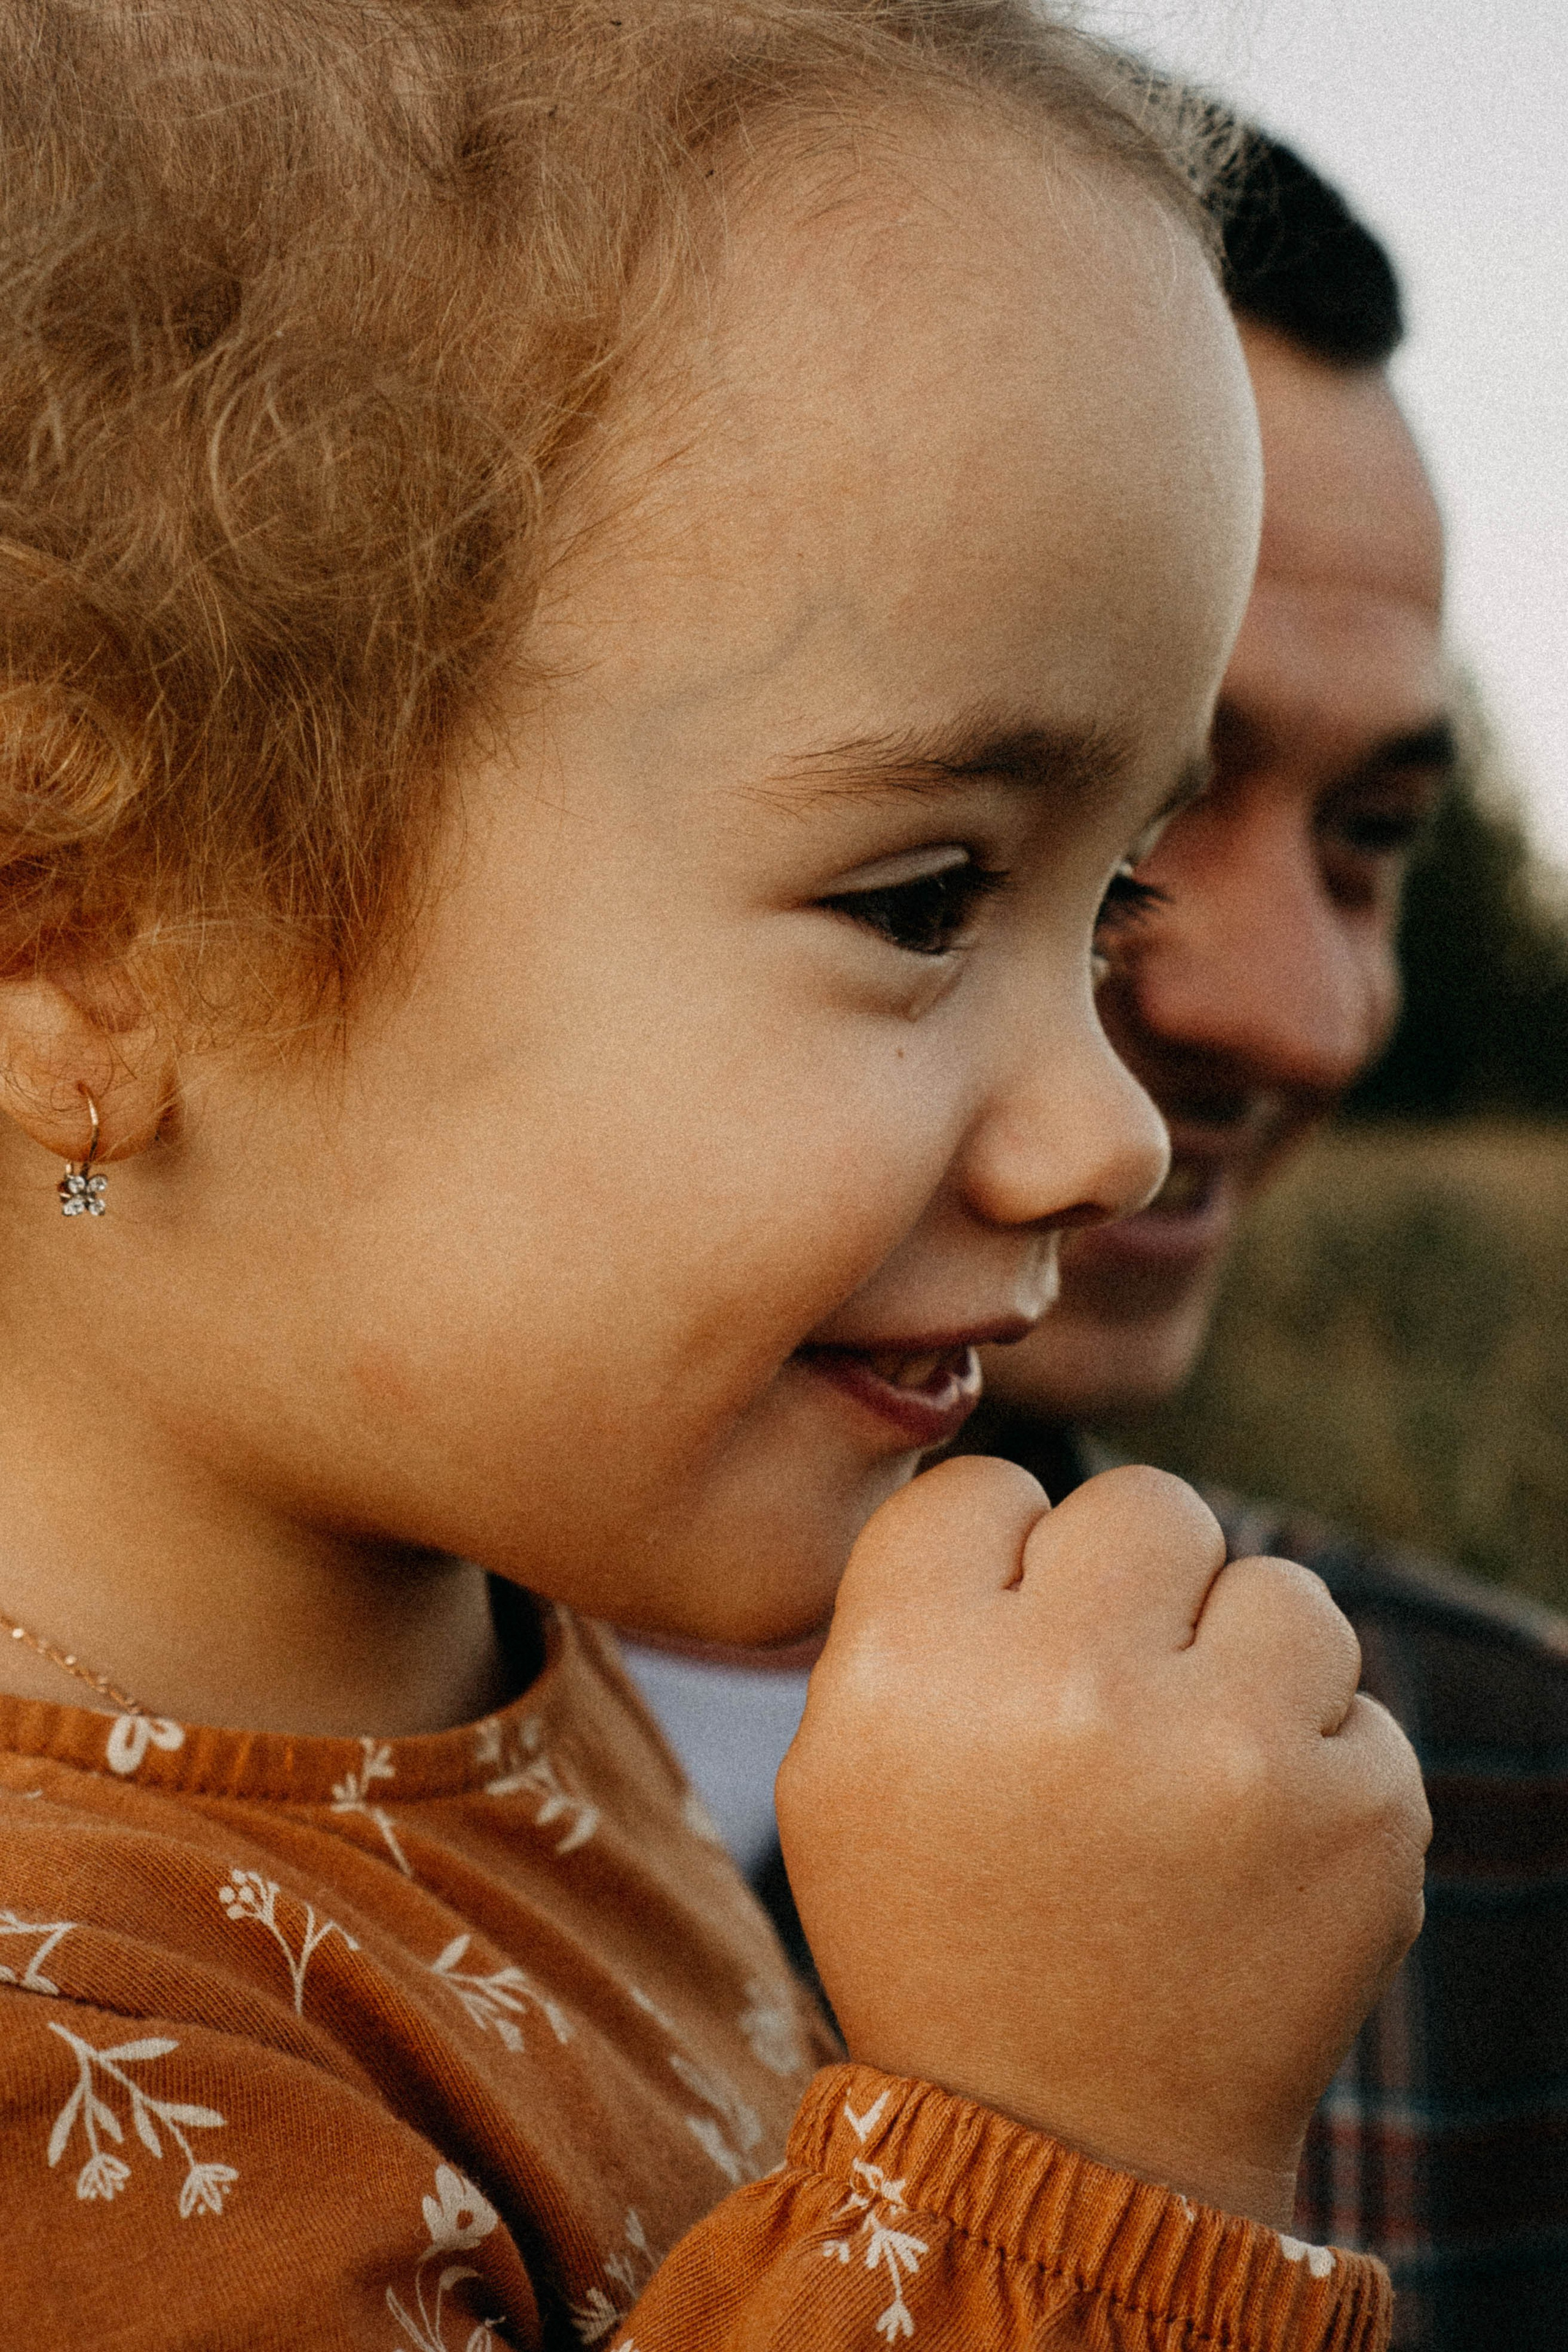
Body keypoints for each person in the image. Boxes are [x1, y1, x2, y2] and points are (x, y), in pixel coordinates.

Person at [0, 9, 1427, 2348]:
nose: (1113, 1127)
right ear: (89, 939)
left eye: (1114, 901)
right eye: (921, 897)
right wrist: (1065, 2155)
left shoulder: (501, 1678)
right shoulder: (61, 2067)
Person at [631, 132, 1560, 2350]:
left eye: (1373, 842)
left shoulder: (1503, 1811)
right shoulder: (152, 1856)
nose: (1298, 1007)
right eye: (1104, 822)